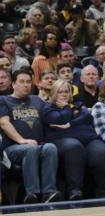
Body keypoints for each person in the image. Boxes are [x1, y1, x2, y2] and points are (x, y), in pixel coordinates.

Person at [44, 79, 105, 199]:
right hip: (61, 140)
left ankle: (104, 193)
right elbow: (60, 119)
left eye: (66, 91)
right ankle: (75, 190)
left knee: (103, 151)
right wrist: (66, 108)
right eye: (60, 92)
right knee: (74, 147)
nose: (64, 94)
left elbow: (87, 116)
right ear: (54, 93)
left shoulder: (78, 104)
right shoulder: (48, 108)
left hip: (87, 138)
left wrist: (70, 124)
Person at [0, 69, 61, 203]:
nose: (26, 85)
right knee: (30, 148)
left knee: (50, 147)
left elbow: (50, 115)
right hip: (12, 149)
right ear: (13, 84)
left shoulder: (36, 100)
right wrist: (21, 140)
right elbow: (4, 123)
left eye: (28, 82)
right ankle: (32, 194)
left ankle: (49, 193)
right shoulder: (3, 100)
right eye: (22, 82)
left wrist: (63, 120)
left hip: (36, 144)